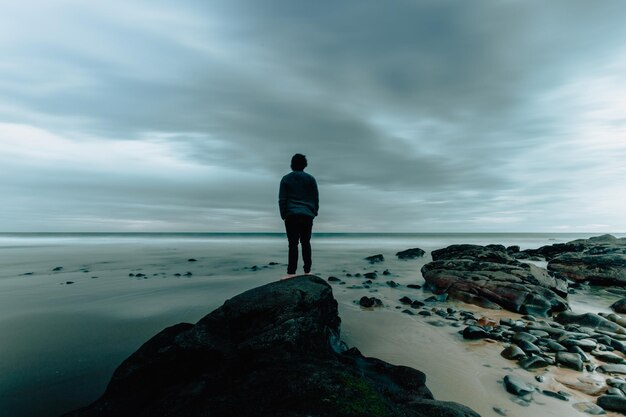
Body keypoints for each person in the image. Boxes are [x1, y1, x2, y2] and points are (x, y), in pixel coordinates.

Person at [278, 153, 319, 278]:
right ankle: (307, 271)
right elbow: (315, 198)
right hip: (307, 215)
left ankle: (291, 272)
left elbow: (282, 199)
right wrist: (314, 212)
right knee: (306, 243)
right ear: (304, 165)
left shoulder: (286, 178)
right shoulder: (311, 179)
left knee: (293, 244)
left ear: (292, 164)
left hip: (291, 215)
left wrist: (283, 214)